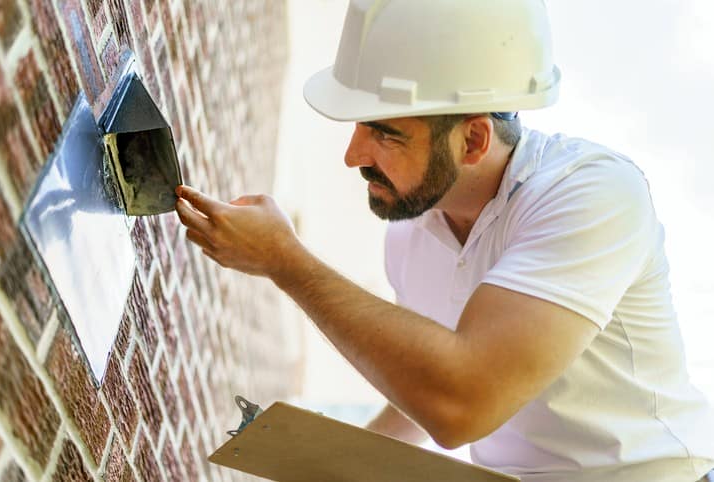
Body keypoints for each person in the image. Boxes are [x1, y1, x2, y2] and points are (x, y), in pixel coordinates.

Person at [175, 1, 714, 480]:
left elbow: (462, 401)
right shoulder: (409, 237)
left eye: (387, 134)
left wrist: (284, 260)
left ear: (474, 139)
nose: (354, 156)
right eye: (362, 126)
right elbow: (427, 385)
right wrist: (332, 460)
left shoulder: (591, 195)